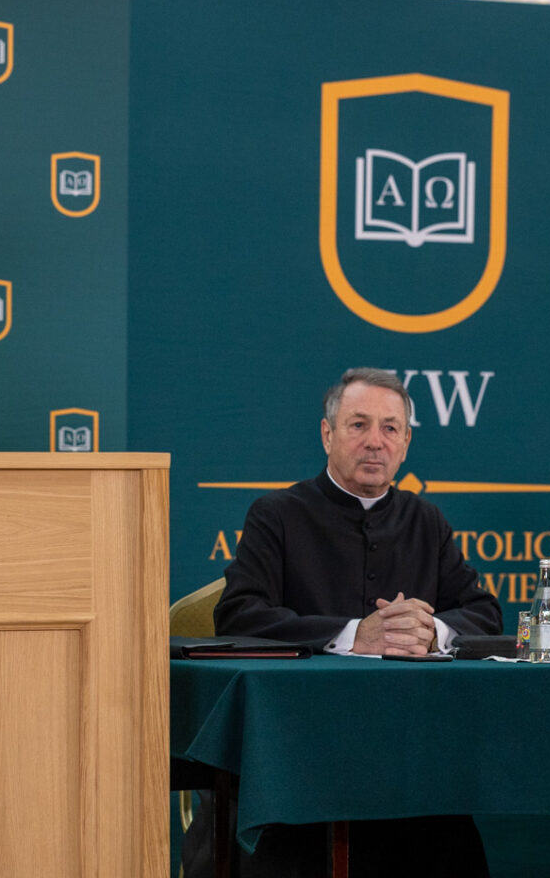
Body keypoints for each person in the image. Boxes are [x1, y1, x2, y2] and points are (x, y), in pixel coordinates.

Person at [190, 367, 501, 878]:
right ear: (327, 434)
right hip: (299, 755)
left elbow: (484, 611)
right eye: (358, 425)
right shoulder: (276, 514)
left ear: (405, 444)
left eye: (390, 428)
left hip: (410, 756)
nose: (375, 441)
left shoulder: (426, 521)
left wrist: (432, 632)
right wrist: (355, 635)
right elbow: (239, 613)